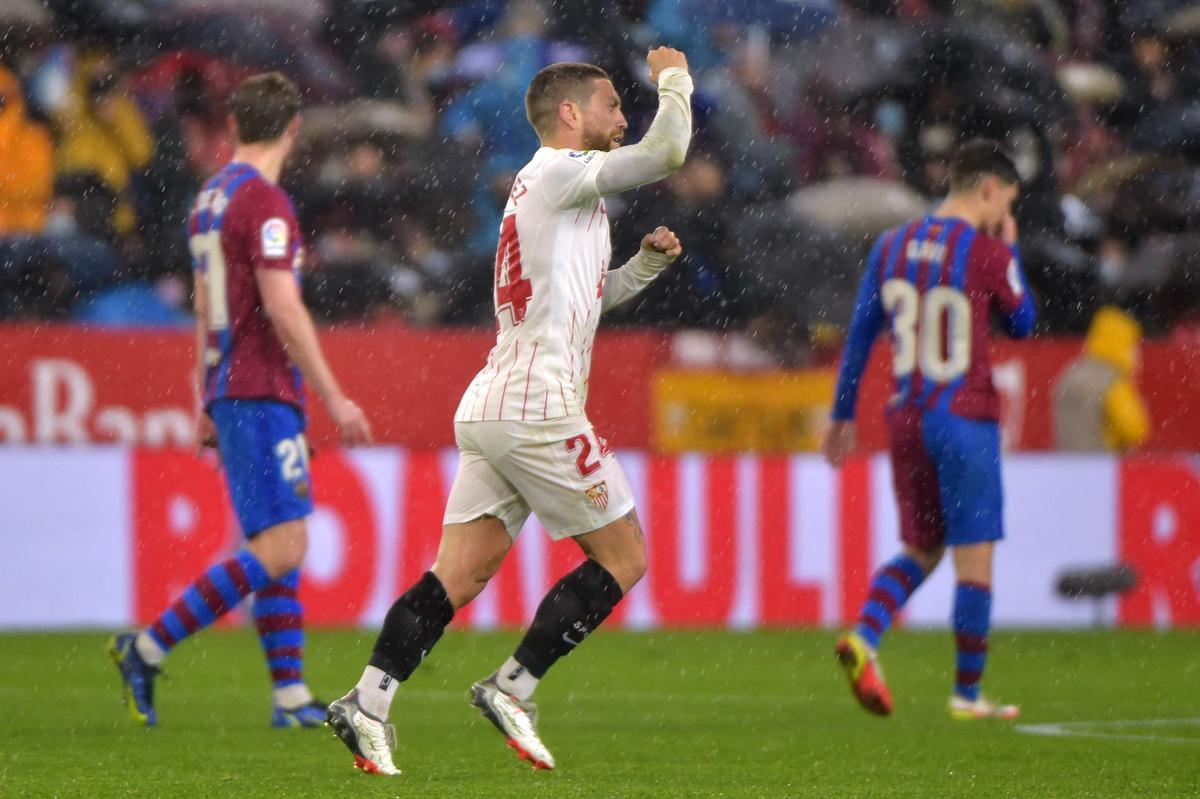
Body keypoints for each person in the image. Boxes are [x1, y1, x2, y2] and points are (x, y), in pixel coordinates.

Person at [325, 48, 693, 776]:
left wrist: (645, 267)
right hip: (538, 404)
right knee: (625, 558)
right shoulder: (559, 171)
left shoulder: (560, 194)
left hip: (496, 399)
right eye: (612, 105)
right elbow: (669, 151)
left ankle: (367, 702)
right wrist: (673, 79)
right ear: (570, 114)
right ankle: (512, 687)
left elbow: (587, 301)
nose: (623, 118)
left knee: (457, 577)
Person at [108, 72, 373, 728]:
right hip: (260, 386)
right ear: (293, 128)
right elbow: (282, 306)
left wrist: (205, 391)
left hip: (234, 384)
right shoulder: (266, 202)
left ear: (233, 125)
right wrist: (335, 395)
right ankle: (147, 646)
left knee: (276, 534)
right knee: (283, 543)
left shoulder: (212, 195)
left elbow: (206, 304)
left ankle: (289, 696)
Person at [823, 139, 1035, 721]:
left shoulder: (890, 245)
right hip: (964, 415)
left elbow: (861, 333)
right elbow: (1023, 323)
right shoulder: (986, 250)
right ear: (989, 189)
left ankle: (865, 635)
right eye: (1006, 202)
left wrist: (842, 414)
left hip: (907, 416)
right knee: (974, 558)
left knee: (922, 547)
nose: (1004, 216)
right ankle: (967, 694)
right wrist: (1011, 250)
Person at [1053, 306, 1149, 452]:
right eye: (1133, 346)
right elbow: (1135, 428)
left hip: (1066, 462)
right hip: (1100, 462)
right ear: (1123, 346)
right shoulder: (1112, 382)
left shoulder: (1071, 373)